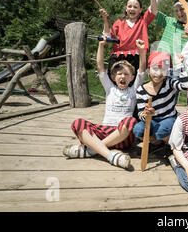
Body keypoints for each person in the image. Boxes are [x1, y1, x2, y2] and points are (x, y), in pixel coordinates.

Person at [62, 38, 147, 169]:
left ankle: (91, 150)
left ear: (132, 77)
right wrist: (101, 46)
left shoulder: (133, 89)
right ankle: (110, 155)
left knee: (131, 121)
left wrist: (141, 52)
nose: (122, 77)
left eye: (126, 74)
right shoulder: (110, 88)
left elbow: (141, 70)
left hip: (123, 136)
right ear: (113, 77)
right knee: (78, 123)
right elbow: (100, 67)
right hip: (105, 130)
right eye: (119, 73)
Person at [100, 0, 158, 76]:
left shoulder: (143, 21)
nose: (132, 9)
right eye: (129, 6)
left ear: (140, 10)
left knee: (134, 87)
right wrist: (105, 20)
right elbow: (107, 37)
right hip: (117, 58)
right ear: (126, 9)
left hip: (135, 59)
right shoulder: (119, 22)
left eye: (135, 7)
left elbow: (154, 9)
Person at [133, 51, 188, 147]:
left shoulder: (169, 83)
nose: (158, 73)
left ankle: (172, 145)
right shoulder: (141, 90)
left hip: (169, 117)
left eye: (163, 69)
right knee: (138, 130)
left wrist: (180, 65)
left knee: (161, 130)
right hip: (152, 120)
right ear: (148, 69)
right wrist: (146, 114)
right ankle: (157, 141)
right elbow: (140, 114)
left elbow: (186, 86)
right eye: (155, 68)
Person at [152, 0, 188, 72]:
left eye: (182, 9)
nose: (179, 13)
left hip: (178, 69)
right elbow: (153, 11)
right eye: (176, 10)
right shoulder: (170, 21)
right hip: (160, 65)